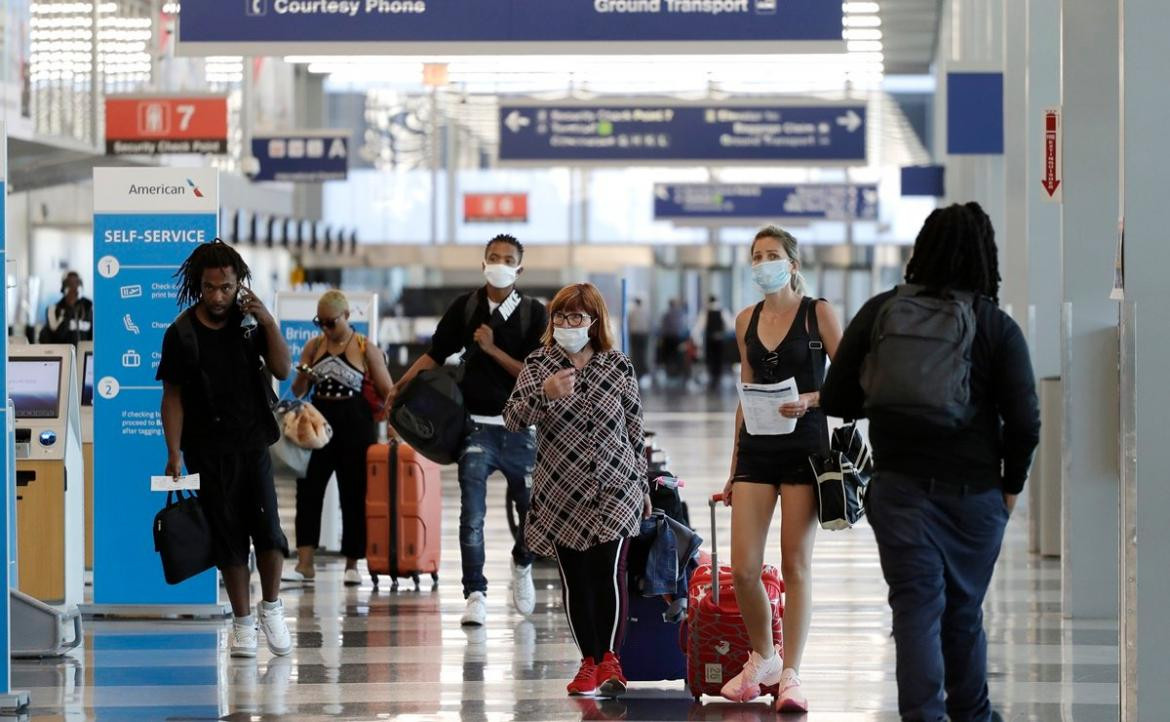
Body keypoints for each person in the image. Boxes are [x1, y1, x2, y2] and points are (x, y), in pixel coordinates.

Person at [820, 203, 1040, 722]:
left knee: (916, 609)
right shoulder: (994, 326)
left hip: (898, 491)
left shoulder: (881, 312)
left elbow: (837, 399)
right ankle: (974, 714)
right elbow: (1026, 420)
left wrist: (888, 395)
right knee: (963, 614)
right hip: (976, 495)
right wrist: (1010, 486)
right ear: (986, 256)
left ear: (923, 250)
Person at [392, 234, 548, 625]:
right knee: (471, 515)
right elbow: (434, 354)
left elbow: (536, 373)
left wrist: (493, 349)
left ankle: (523, 562)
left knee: (533, 510)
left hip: (520, 427)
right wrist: (399, 388)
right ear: (483, 263)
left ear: (519, 268)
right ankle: (474, 591)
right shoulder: (465, 307)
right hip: (474, 428)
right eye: (493, 257)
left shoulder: (533, 314)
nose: (499, 263)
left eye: (507, 258)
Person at [503, 283, 650, 698]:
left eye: (577, 318)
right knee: (577, 579)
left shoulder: (618, 366)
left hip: (616, 488)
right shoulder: (538, 365)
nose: (568, 325)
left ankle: (610, 659)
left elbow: (634, 430)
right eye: (561, 317)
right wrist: (544, 396)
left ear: (594, 322)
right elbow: (512, 418)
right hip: (561, 493)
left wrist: (641, 485)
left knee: (609, 574)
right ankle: (589, 660)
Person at [719, 226, 843, 712]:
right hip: (756, 448)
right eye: (756, 256)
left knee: (795, 563)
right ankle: (764, 656)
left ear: (792, 263)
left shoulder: (818, 314)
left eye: (772, 255)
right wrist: (732, 466)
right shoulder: (745, 320)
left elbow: (852, 380)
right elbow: (744, 393)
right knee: (745, 569)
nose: (763, 263)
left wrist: (812, 399)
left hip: (805, 449)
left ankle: (791, 673)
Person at [157, 241, 293, 659]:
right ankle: (243, 623)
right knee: (229, 540)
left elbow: (283, 370)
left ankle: (271, 607)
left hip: (252, 443)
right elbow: (173, 397)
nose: (218, 297)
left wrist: (268, 320)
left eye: (227, 288)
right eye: (211, 288)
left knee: (269, 533)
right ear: (198, 285)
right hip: (207, 450)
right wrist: (174, 452)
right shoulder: (181, 334)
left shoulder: (250, 324)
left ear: (240, 285)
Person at [287, 290, 395, 586]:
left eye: (330, 322)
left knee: (354, 493)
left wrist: (396, 429)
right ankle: (305, 561)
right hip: (319, 425)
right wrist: (304, 375)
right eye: (319, 322)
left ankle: (352, 562)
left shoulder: (364, 348)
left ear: (347, 316)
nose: (325, 328)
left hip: (355, 426)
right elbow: (297, 392)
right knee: (307, 491)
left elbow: (388, 393)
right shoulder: (313, 346)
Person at [691, 294, 736, 390]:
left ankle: (712, 377)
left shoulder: (705, 312)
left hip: (709, 339)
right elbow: (730, 325)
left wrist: (696, 338)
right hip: (720, 338)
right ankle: (718, 377)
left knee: (710, 358)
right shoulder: (723, 311)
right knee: (719, 358)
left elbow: (700, 326)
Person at [39, 271, 93, 345]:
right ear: (63, 288)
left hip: (83, 354)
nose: (74, 287)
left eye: (76, 283)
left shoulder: (88, 308)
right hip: (63, 354)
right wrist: (69, 308)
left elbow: (93, 338)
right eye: (69, 284)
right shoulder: (53, 309)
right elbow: (56, 337)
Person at [627, 296, 651, 381]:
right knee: (642, 353)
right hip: (643, 335)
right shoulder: (646, 312)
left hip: (634, 335)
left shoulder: (632, 312)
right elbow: (648, 323)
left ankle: (636, 369)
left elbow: (629, 323)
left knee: (635, 352)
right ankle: (642, 370)